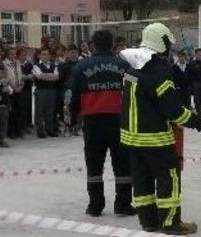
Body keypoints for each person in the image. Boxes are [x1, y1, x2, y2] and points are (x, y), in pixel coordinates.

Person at [120, 23, 201, 235]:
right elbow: (173, 111)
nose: (170, 49)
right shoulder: (159, 71)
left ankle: (149, 221)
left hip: (131, 138)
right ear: (162, 43)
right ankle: (171, 222)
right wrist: (198, 122)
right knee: (168, 177)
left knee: (142, 179)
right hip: (155, 138)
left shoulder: (132, 68)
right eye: (168, 44)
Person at [65, 30, 134, 218]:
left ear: (93, 44)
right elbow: (136, 91)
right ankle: (123, 204)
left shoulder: (81, 66)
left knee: (94, 165)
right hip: (119, 120)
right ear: (112, 44)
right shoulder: (124, 66)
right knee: (123, 163)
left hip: (93, 121)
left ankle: (95, 205)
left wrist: (71, 119)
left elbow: (71, 94)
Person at [33, 49, 60, 138]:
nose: (46, 56)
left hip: (52, 91)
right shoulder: (36, 66)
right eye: (43, 54)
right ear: (39, 56)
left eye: (47, 54)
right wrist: (50, 76)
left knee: (50, 111)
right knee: (39, 111)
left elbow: (57, 77)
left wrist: (45, 76)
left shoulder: (54, 65)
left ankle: (49, 130)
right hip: (41, 90)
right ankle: (40, 131)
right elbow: (39, 76)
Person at [59, 45, 81, 136]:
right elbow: (60, 79)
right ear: (68, 53)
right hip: (67, 90)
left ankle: (75, 127)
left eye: (75, 53)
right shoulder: (63, 65)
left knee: (77, 109)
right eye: (72, 53)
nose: (74, 55)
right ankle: (67, 127)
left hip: (78, 90)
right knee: (67, 109)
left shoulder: (81, 65)